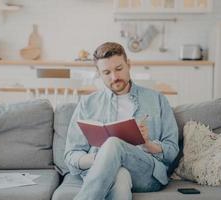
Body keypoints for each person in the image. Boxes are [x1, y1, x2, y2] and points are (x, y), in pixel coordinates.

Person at [64, 42, 179, 200]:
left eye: (119, 69)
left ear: (129, 65)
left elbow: (172, 150)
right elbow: (71, 155)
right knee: (120, 175)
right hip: (103, 172)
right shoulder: (87, 104)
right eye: (106, 72)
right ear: (99, 74)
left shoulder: (157, 99)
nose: (114, 77)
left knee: (113, 143)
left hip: (146, 173)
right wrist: (102, 158)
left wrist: (147, 143)